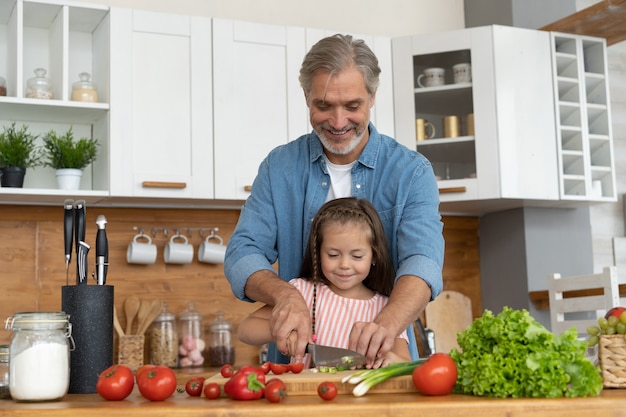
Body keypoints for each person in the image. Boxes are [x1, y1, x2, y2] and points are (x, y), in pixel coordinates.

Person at [224, 33, 444, 366]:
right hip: (292, 374)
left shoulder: (411, 173)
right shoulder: (279, 167)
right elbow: (243, 253)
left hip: (380, 369)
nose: (338, 122)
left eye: (352, 106)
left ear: (372, 96)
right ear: (306, 97)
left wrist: (385, 324)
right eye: (324, 106)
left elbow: (422, 262)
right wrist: (287, 297)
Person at [238, 197, 412, 368]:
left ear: (374, 255)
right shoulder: (301, 293)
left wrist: (389, 359)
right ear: (318, 254)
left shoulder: (386, 307)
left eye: (357, 256)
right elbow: (245, 330)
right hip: (307, 394)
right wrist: (285, 332)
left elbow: (405, 361)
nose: (344, 265)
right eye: (333, 255)